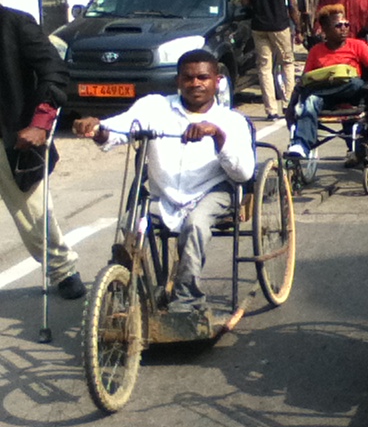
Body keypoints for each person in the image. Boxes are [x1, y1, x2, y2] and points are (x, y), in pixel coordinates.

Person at [73, 50, 256, 313]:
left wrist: (217, 136)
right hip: (165, 194)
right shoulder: (155, 107)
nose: (196, 84)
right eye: (188, 78)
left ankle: (187, 299)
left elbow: (243, 174)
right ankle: (133, 291)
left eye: (203, 77)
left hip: (212, 192)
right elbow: (119, 129)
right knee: (131, 225)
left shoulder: (233, 121)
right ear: (178, 81)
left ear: (217, 81)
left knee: (195, 227)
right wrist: (96, 128)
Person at [0, 5, 85, 299]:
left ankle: (63, 270)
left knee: (33, 215)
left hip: (10, 137)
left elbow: (54, 71)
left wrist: (40, 123)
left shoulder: (15, 24)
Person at [286, 5, 368, 162]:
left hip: (352, 94)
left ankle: (357, 150)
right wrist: (290, 107)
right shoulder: (316, 51)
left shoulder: (358, 46)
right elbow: (304, 81)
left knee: (354, 83)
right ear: (325, 30)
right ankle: (301, 144)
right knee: (309, 101)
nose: (344, 28)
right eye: (338, 25)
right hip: (325, 99)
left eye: (346, 24)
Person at [241, 0, 298, 121]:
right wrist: (299, 26)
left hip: (259, 26)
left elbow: (244, 1)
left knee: (264, 67)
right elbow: (293, 3)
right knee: (287, 63)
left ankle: (270, 110)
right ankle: (288, 104)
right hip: (280, 25)